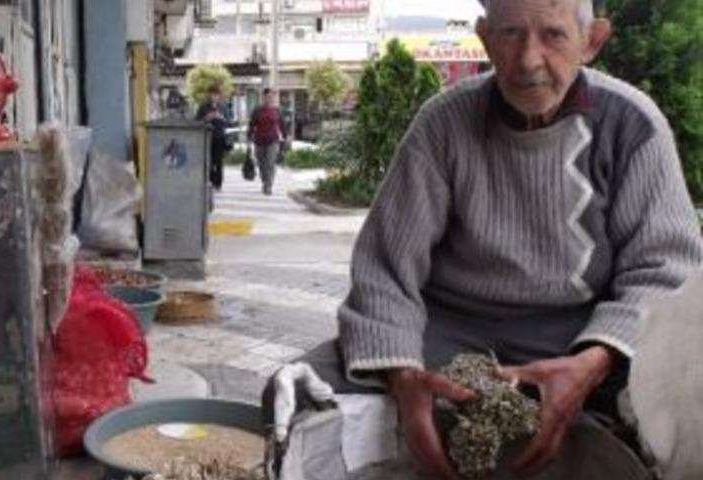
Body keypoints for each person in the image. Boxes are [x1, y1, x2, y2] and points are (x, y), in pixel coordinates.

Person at [265, 0, 703, 478]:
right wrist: (403, 375)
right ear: (485, 38)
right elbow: (385, 270)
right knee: (293, 394)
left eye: (553, 36)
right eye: (511, 33)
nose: (529, 60)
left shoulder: (632, 124)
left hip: (579, 340)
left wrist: (593, 362)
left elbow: (666, 270)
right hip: (447, 336)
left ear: (592, 42)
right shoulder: (443, 124)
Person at [248, 87, 288, 195]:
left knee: (271, 163)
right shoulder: (257, 110)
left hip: (273, 141)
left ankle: (268, 186)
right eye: (268, 97)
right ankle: (265, 181)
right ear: (263, 97)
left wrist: (285, 138)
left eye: (272, 97)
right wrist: (249, 139)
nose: (270, 99)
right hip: (259, 141)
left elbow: (282, 126)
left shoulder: (277, 110)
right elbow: (251, 125)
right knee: (261, 164)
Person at [195, 85, 231, 191]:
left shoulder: (223, 107)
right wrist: (206, 118)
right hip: (207, 137)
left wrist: (221, 117)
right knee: (208, 160)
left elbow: (229, 121)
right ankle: (211, 180)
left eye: (216, 95)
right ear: (209, 95)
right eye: (212, 94)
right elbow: (196, 121)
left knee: (219, 161)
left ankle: (218, 183)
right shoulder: (203, 107)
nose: (214, 97)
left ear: (219, 96)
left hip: (220, 136)